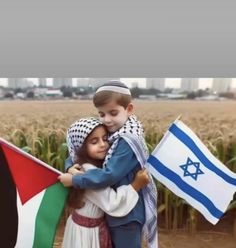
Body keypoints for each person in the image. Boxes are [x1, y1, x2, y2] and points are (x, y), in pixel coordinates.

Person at [63, 81, 157, 248]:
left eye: (113, 113)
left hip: (126, 214)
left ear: (129, 109)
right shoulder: (115, 133)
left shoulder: (127, 140)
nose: (107, 120)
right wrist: (70, 165)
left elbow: (110, 175)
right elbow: (79, 147)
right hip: (115, 212)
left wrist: (75, 180)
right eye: (102, 114)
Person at [59, 117, 150, 248]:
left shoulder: (92, 165)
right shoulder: (87, 172)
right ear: (82, 147)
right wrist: (136, 185)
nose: (103, 144)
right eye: (94, 142)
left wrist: (68, 167)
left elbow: (71, 158)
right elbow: (112, 203)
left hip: (86, 228)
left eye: (105, 138)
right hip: (87, 233)